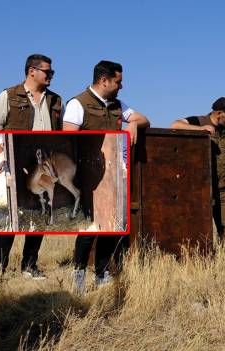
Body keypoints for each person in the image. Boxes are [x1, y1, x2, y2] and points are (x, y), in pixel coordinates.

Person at [63, 60, 149, 293]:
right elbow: (69, 139)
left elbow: (144, 119)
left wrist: (132, 124)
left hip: (115, 176)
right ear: (104, 80)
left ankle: (102, 274)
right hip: (90, 177)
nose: (121, 86)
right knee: (89, 229)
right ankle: (79, 275)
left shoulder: (118, 105)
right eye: (118, 81)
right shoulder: (78, 104)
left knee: (111, 228)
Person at [0, 54, 62, 280]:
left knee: (38, 214)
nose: (51, 75)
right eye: (47, 71)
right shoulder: (7, 96)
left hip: (43, 164)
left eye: (51, 72)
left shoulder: (57, 100)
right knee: (10, 218)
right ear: (32, 71)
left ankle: (30, 265)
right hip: (15, 163)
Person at [170, 97, 225, 249]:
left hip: (223, 187)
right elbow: (174, 125)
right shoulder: (199, 121)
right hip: (203, 188)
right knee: (201, 225)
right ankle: (202, 255)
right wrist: (200, 130)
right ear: (219, 112)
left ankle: (224, 257)